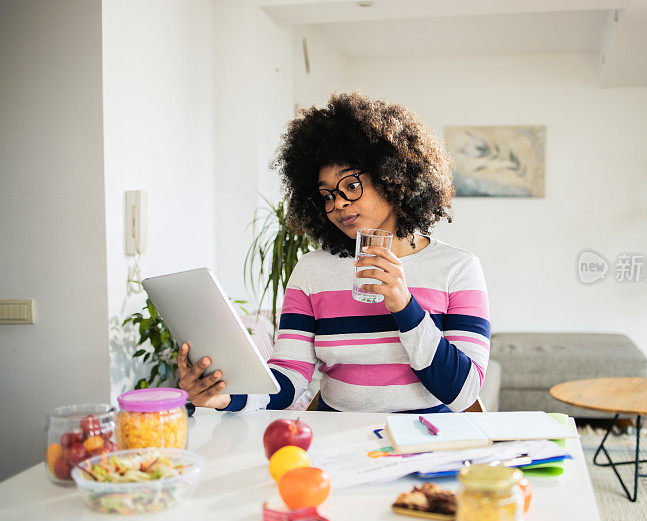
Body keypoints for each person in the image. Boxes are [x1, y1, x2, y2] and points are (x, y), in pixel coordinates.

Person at [177, 91, 490, 413]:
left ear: (393, 177)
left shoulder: (457, 268)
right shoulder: (312, 271)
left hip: (424, 441)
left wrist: (404, 306)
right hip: (333, 443)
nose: (337, 203)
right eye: (326, 195)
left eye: (351, 185)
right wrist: (226, 396)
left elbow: (463, 392)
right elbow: (289, 375)